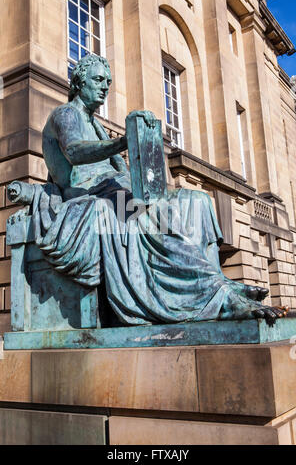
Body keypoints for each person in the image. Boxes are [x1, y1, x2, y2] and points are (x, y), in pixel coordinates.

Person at [12, 53, 288, 326]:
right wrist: (124, 142)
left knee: (196, 200)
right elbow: (74, 151)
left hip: (117, 189)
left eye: (108, 81)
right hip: (88, 195)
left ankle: (215, 284)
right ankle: (218, 297)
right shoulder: (65, 114)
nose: (105, 86)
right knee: (143, 212)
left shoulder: (96, 126)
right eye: (98, 80)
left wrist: (146, 159)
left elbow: (121, 170)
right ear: (79, 82)